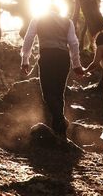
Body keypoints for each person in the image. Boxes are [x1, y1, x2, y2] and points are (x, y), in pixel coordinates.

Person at [20, 8, 84, 138]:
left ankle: (60, 122)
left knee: (48, 94)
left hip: (47, 56)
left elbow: (29, 38)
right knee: (59, 94)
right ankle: (59, 131)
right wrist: (76, 65)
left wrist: (25, 59)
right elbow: (74, 43)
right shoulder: (67, 22)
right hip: (63, 57)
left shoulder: (38, 18)